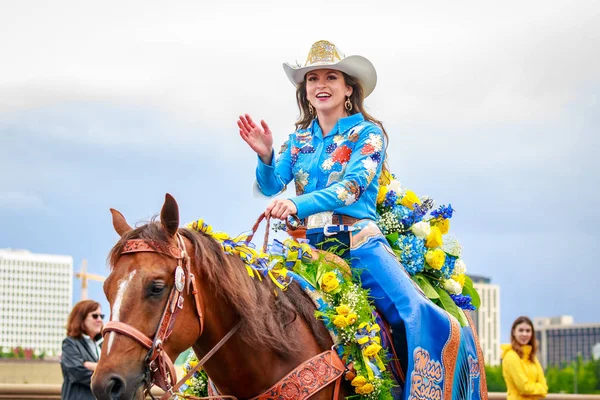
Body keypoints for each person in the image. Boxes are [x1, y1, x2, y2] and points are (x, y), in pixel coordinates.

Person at [239, 40, 484, 399]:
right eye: (312, 79)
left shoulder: (367, 135)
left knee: (411, 312)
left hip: (357, 245)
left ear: (349, 88)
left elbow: (352, 188)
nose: (320, 85)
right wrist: (264, 156)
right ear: (305, 92)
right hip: (304, 250)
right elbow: (272, 184)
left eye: (330, 77)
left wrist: (296, 205)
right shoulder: (299, 139)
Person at [60, 300, 104, 400]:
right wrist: (105, 373)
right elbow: (78, 373)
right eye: (95, 316)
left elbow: (115, 369)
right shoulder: (70, 343)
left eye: (101, 316)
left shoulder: (102, 345)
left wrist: (92, 365)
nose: (99, 320)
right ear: (81, 318)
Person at [501, 316, 548, 400]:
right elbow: (524, 388)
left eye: (528, 331)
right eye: (521, 330)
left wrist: (540, 388)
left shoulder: (532, 357)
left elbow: (544, 387)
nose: (524, 334)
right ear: (514, 332)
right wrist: (539, 388)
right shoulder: (511, 356)